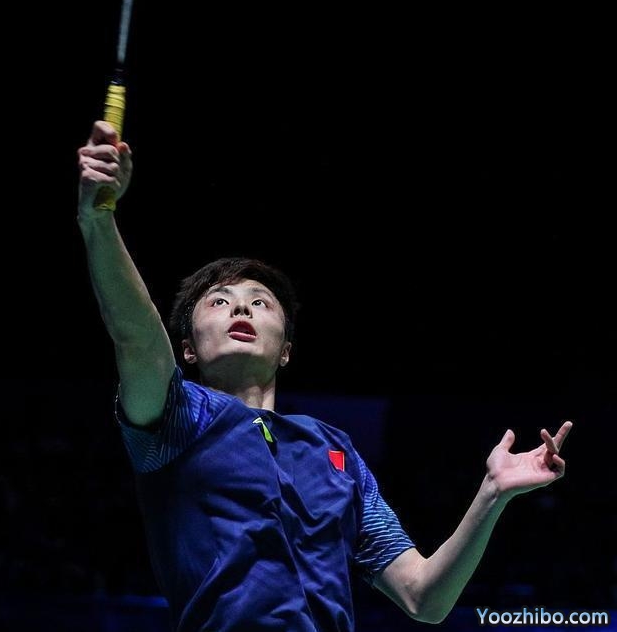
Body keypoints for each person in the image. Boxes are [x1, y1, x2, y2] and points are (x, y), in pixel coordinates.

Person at [77, 120, 573, 632]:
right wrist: (98, 219)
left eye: (260, 302)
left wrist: (492, 492)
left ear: (286, 350)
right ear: (187, 348)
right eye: (219, 301)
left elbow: (423, 596)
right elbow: (136, 336)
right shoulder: (175, 420)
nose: (241, 308)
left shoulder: (336, 452)